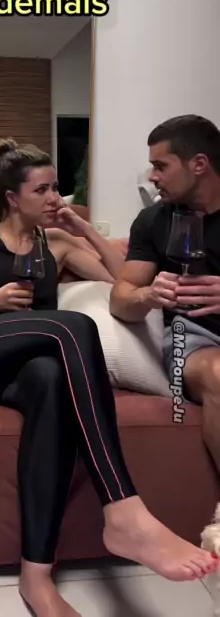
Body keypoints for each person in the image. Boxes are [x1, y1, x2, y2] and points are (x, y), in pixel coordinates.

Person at [0, 138, 216, 617]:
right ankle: (123, 508)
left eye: (56, 187)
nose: (54, 197)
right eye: (41, 190)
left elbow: (127, 283)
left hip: (17, 371)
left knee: (52, 380)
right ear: (13, 198)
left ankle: (36, 576)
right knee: (72, 325)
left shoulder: (56, 244)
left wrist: (83, 229)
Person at [110, 115, 220, 472]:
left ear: (199, 164)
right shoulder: (153, 220)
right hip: (196, 338)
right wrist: (148, 295)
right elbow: (120, 298)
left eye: (161, 166)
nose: (153, 177)